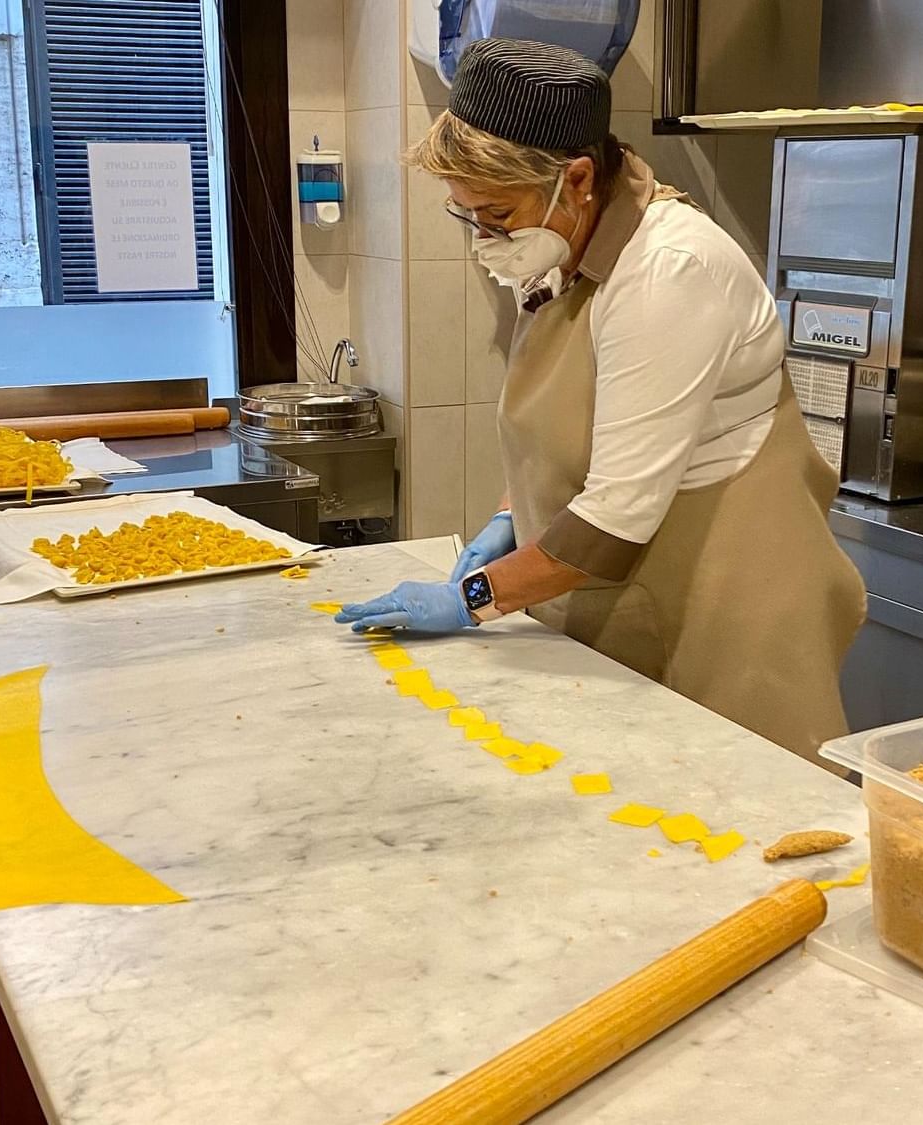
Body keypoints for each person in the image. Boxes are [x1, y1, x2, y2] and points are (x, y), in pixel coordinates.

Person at [337, 38, 866, 764]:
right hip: (643, 576)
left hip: (729, 603)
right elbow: (568, 429)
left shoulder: (666, 275)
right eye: (469, 217)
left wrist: (472, 598)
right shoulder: (566, 244)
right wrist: (506, 518)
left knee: (741, 821)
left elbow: (614, 518)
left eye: (495, 214)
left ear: (577, 178)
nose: (485, 239)